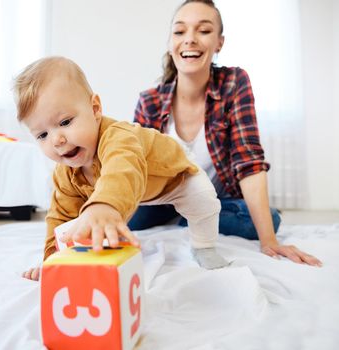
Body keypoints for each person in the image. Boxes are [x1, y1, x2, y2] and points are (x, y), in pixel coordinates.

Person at [129, 0, 322, 267]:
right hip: (162, 199)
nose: (190, 39)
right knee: (113, 215)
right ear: (170, 42)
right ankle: (185, 214)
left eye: (204, 31)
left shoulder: (234, 83)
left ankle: (192, 216)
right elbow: (133, 169)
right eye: (180, 31)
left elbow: (249, 162)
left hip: (213, 199)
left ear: (219, 42)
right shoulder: (149, 101)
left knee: (270, 220)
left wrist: (269, 242)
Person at [14, 56, 229, 281]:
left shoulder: (118, 137)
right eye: (42, 135)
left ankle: (204, 247)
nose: (56, 139)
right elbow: (60, 218)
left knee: (204, 201)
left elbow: (122, 170)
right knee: (97, 220)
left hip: (176, 174)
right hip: (140, 192)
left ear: (95, 108)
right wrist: (52, 259)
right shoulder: (65, 173)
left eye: (65, 122)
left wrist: (104, 205)